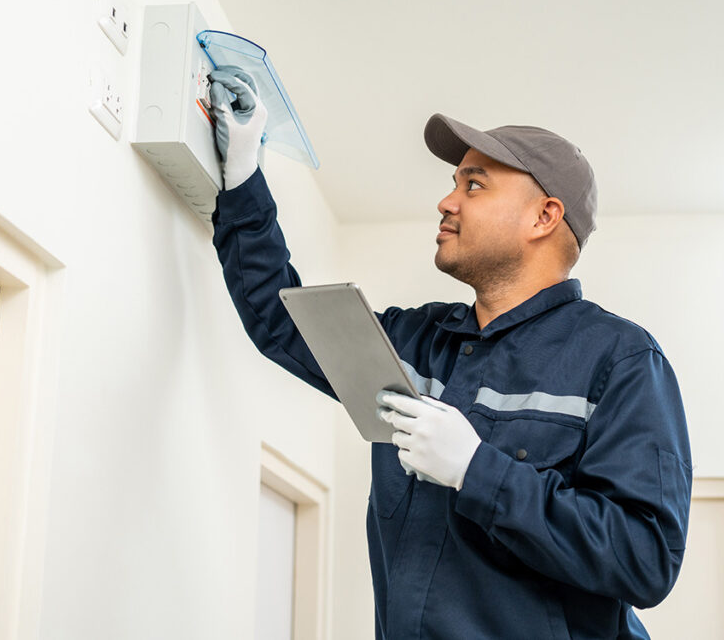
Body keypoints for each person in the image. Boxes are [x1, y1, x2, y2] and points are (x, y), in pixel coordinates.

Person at [207, 66, 692, 640]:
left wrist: (477, 471)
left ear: (545, 216)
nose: (446, 200)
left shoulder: (621, 360)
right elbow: (280, 321)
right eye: (454, 183)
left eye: (474, 185)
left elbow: (645, 558)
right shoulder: (415, 344)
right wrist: (241, 177)